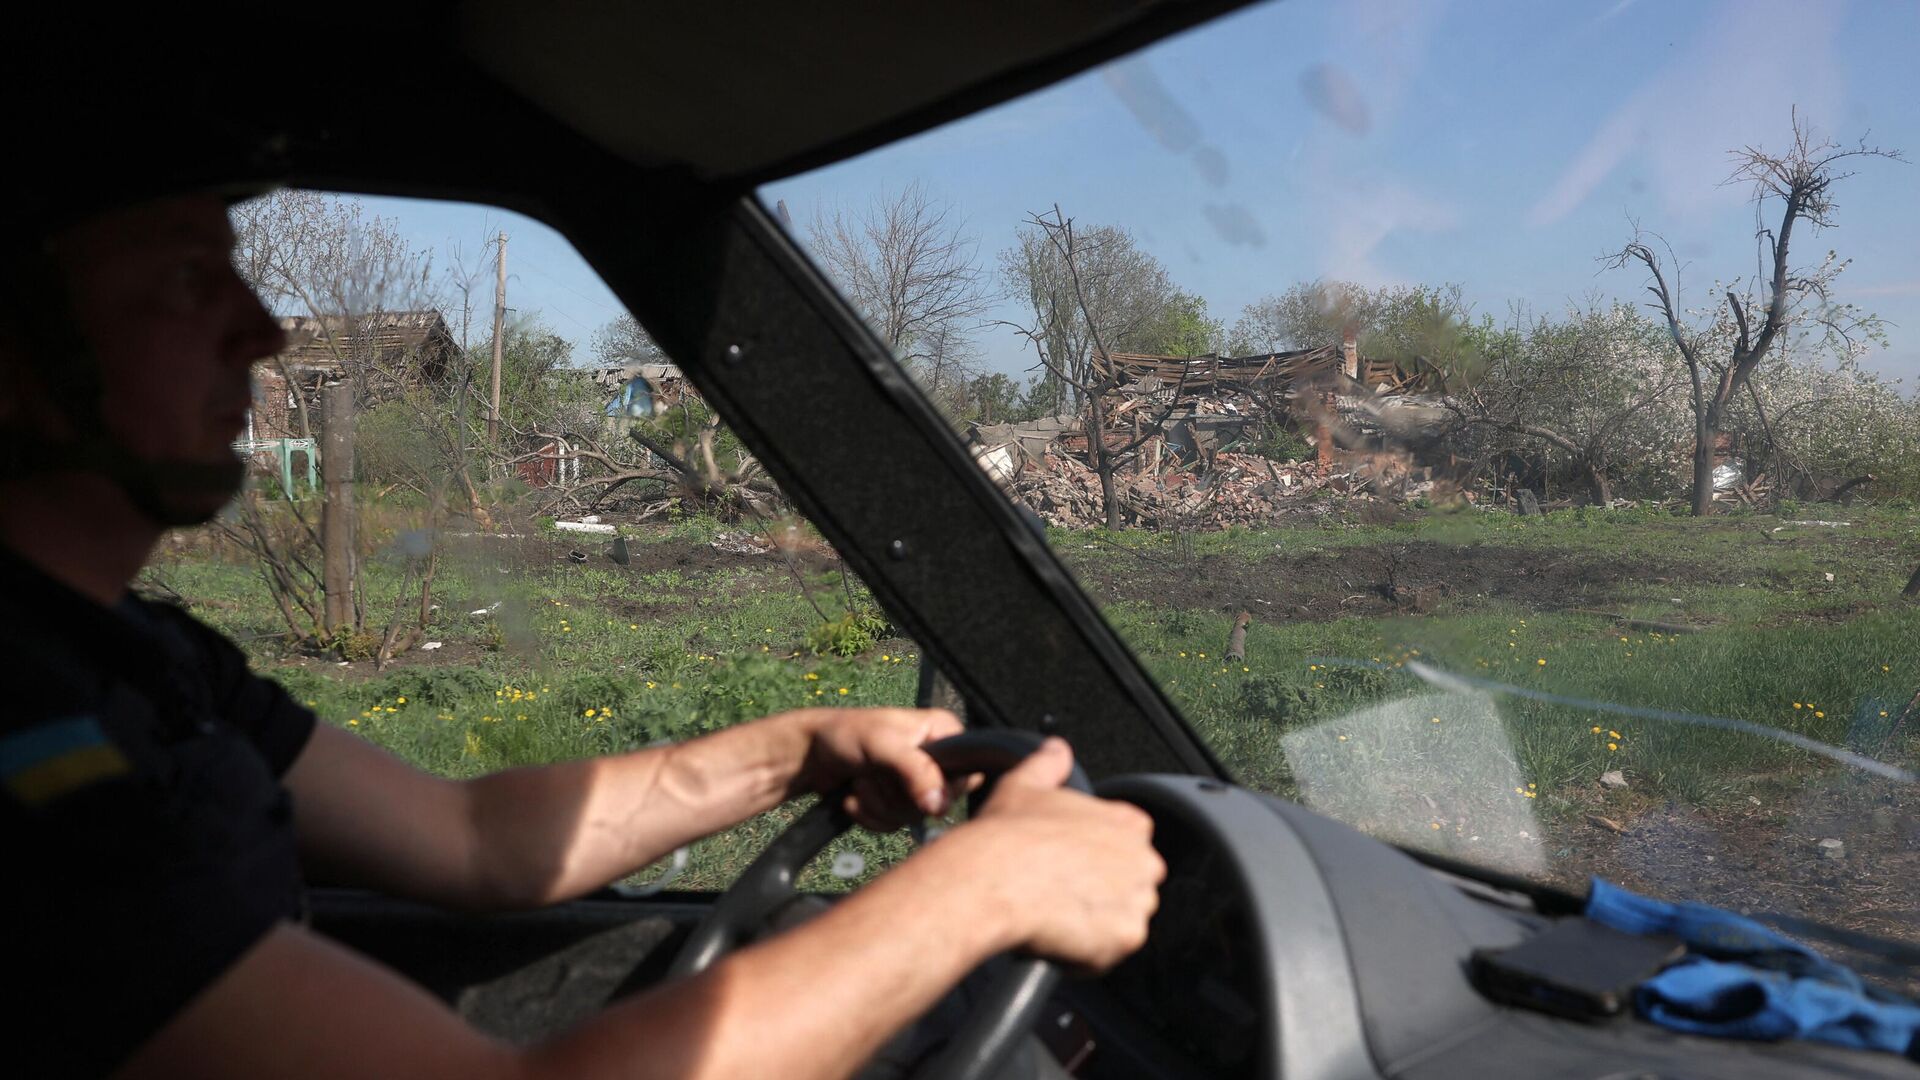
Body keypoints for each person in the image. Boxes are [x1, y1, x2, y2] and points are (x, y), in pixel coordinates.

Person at [0, 187, 1165, 1079]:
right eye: (189, 282)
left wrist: (795, 750)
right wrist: (977, 895)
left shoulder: (144, 655)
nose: (260, 330)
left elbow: (473, 839)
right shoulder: (16, 715)